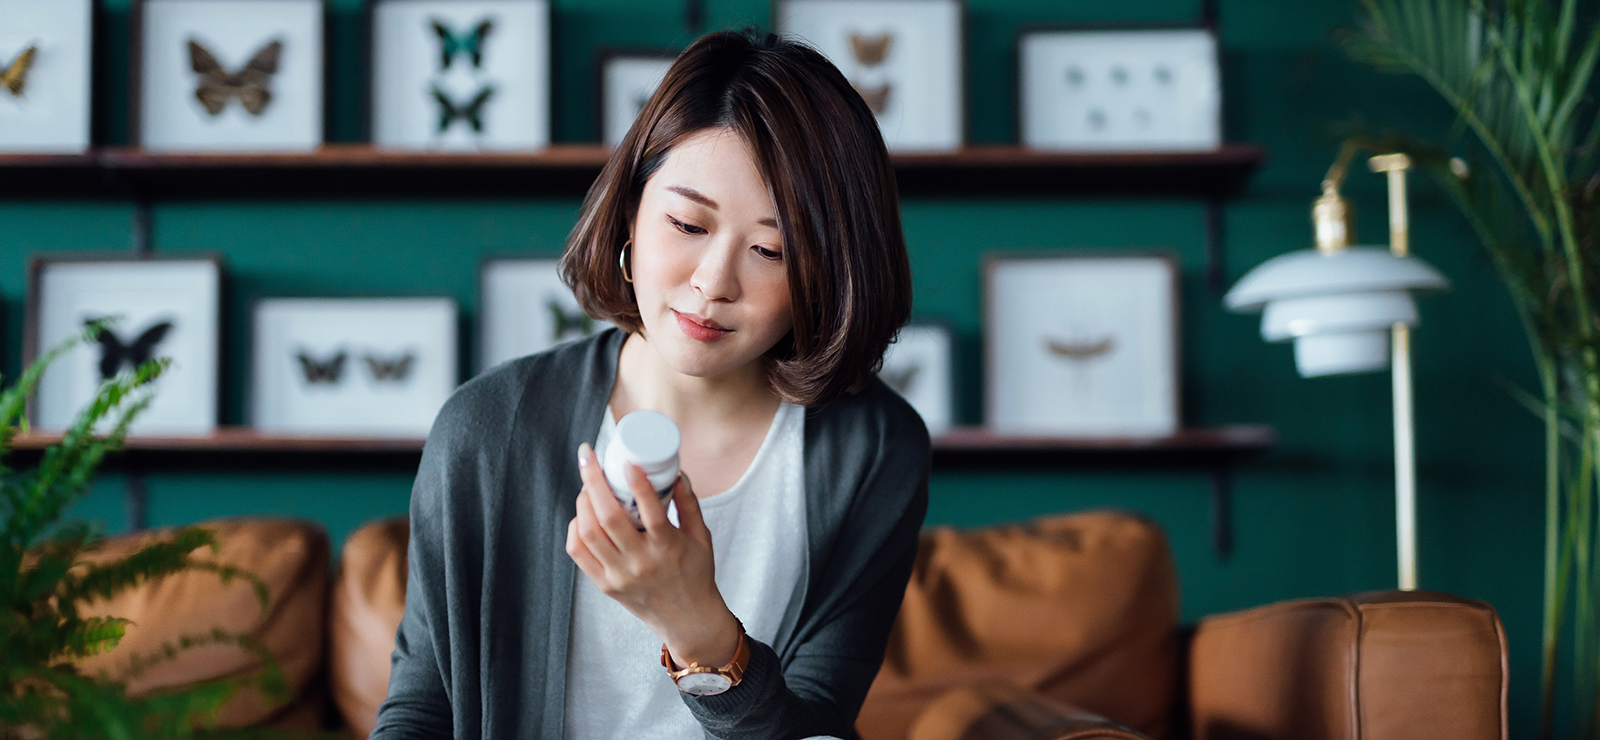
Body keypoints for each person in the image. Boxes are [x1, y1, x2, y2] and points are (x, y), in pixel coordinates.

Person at [370, 28, 929, 740]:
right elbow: (423, 710)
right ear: (631, 211)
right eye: (687, 224)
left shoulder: (872, 449)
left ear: (830, 272)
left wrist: (695, 624)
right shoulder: (487, 428)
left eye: (770, 249)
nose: (713, 283)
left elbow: (817, 723)